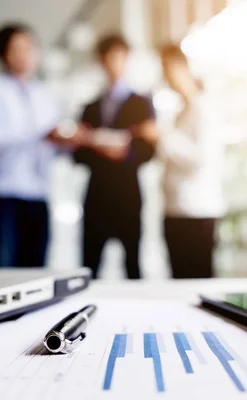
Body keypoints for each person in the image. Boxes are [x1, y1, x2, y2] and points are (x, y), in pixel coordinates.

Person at [0, 24, 83, 268]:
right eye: (17, 49)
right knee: (2, 272)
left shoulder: (44, 93)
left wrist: (71, 140)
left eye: (30, 48)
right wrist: (41, 134)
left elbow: (54, 144)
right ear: (3, 54)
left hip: (37, 194)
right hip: (1, 195)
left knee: (36, 273)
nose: (25, 54)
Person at [74, 34, 157, 279]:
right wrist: (97, 146)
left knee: (133, 264)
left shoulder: (141, 104)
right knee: (90, 266)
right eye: (109, 58)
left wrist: (123, 153)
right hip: (97, 196)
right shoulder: (89, 107)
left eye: (120, 57)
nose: (114, 63)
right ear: (100, 61)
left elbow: (149, 151)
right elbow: (78, 154)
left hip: (128, 195)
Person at [157, 44, 227, 279]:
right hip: (174, 210)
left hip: (197, 212)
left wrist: (164, 136)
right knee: (179, 281)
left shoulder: (205, 109)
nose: (166, 77)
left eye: (168, 68)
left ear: (182, 67)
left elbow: (200, 160)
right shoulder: (179, 113)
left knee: (198, 284)